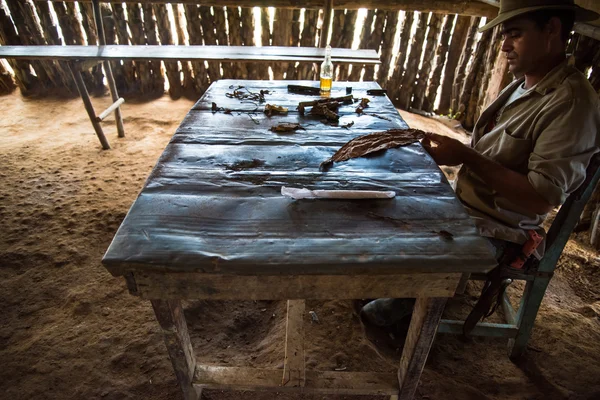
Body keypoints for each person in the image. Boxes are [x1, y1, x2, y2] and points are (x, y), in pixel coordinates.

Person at [362, 0, 600, 327]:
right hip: (465, 206)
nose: (504, 46)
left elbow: (541, 198)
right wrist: (455, 153)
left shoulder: (572, 103)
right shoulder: (523, 84)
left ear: (552, 30)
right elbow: (490, 154)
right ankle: (409, 286)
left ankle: (417, 306)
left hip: (503, 230)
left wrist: (465, 156)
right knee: (378, 204)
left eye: (515, 34)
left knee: (373, 312)